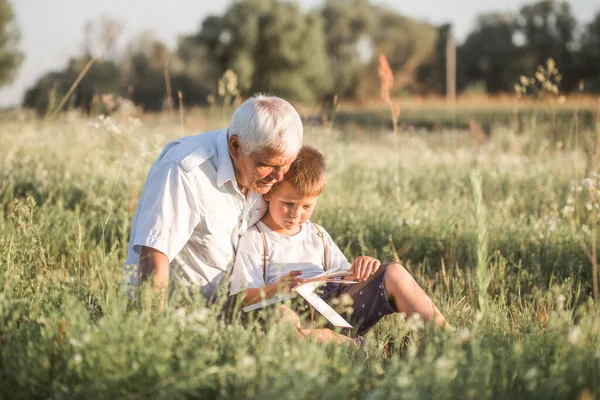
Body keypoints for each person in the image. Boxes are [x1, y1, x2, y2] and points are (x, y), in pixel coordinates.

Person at [230, 145, 451, 338]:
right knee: (282, 318)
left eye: (306, 207)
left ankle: (447, 336)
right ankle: (350, 347)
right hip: (291, 312)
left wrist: (364, 267)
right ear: (268, 193)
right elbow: (241, 298)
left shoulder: (317, 234)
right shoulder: (256, 238)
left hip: (335, 310)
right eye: (288, 203)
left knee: (393, 272)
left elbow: (346, 277)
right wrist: (275, 289)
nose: (296, 215)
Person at [123, 95, 303, 307]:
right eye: (269, 165)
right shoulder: (185, 170)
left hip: (244, 308)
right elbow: (154, 257)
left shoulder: (266, 171)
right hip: (181, 315)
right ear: (235, 146)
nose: (279, 177)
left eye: (286, 166)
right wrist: (154, 335)